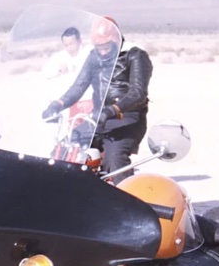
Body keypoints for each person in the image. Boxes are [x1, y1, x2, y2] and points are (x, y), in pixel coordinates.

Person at [42, 16, 153, 183]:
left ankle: (126, 198)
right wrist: (58, 104)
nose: (101, 51)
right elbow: (79, 86)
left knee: (114, 158)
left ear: (115, 40)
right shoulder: (94, 56)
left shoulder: (135, 55)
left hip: (126, 118)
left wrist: (114, 109)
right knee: (65, 150)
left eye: (105, 47)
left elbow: (138, 93)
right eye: (98, 47)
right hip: (98, 118)